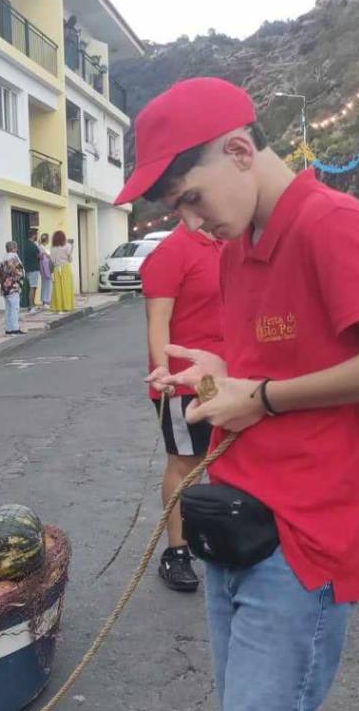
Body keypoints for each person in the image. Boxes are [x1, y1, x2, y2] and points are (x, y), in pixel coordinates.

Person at [122, 78, 359, 711]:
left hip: (302, 540)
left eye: (192, 197)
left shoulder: (327, 221)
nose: (193, 222)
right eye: (176, 210)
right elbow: (265, 371)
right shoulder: (237, 247)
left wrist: (264, 397)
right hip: (235, 520)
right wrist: (216, 376)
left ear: (241, 151)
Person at [138, 206, 222, 593]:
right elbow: (158, 320)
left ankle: (222, 536)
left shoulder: (223, 245)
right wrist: (163, 371)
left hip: (222, 375)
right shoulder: (171, 252)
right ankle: (177, 550)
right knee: (187, 463)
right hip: (185, 381)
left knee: (222, 457)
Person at [0, 242, 26, 335]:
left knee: (8, 309)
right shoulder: (14, 257)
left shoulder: (4, 258)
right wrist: (19, 277)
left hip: (5, 288)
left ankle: (8, 329)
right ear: (14, 248)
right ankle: (15, 328)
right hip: (13, 287)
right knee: (15, 308)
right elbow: (18, 271)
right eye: (16, 247)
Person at [49, 230, 76, 313]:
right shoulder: (67, 246)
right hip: (65, 268)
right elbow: (70, 259)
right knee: (66, 287)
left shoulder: (52, 248)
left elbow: (52, 260)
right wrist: (72, 247)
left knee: (57, 288)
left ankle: (58, 307)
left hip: (57, 269)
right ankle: (67, 306)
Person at [22, 228, 42, 314]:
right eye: (36, 235)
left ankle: (32, 305)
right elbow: (39, 256)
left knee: (31, 286)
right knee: (33, 287)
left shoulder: (25, 244)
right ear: (33, 235)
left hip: (27, 268)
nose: (37, 236)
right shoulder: (33, 245)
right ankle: (31, 306)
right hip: (33, 268)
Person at [38, 232, 53, 309]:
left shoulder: (43, 247)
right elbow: (44, 259)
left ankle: (45, 300)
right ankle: (46, 301)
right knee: (47, 285)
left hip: (45, 268)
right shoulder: (41, 248)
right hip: (45, 269)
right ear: (46, 240)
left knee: (46, 284)